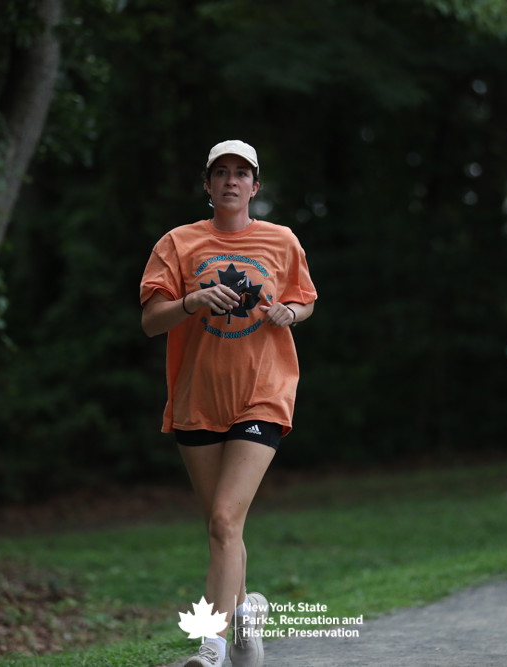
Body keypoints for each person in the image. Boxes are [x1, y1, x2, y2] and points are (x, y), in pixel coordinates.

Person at [140, 140, 317, 667]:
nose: (231, 180)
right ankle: (247, 612)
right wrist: (192, 300)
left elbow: (304, 299)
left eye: (242, 173)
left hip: (263, 393)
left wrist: (289, 313)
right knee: (223, 528)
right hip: (198, 398)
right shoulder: (178, 243)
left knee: (223, 517)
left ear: (255, 186)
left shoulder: (281, 240)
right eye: (222, 172)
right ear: (208, 183)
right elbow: (151, 322)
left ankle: (211, 647)